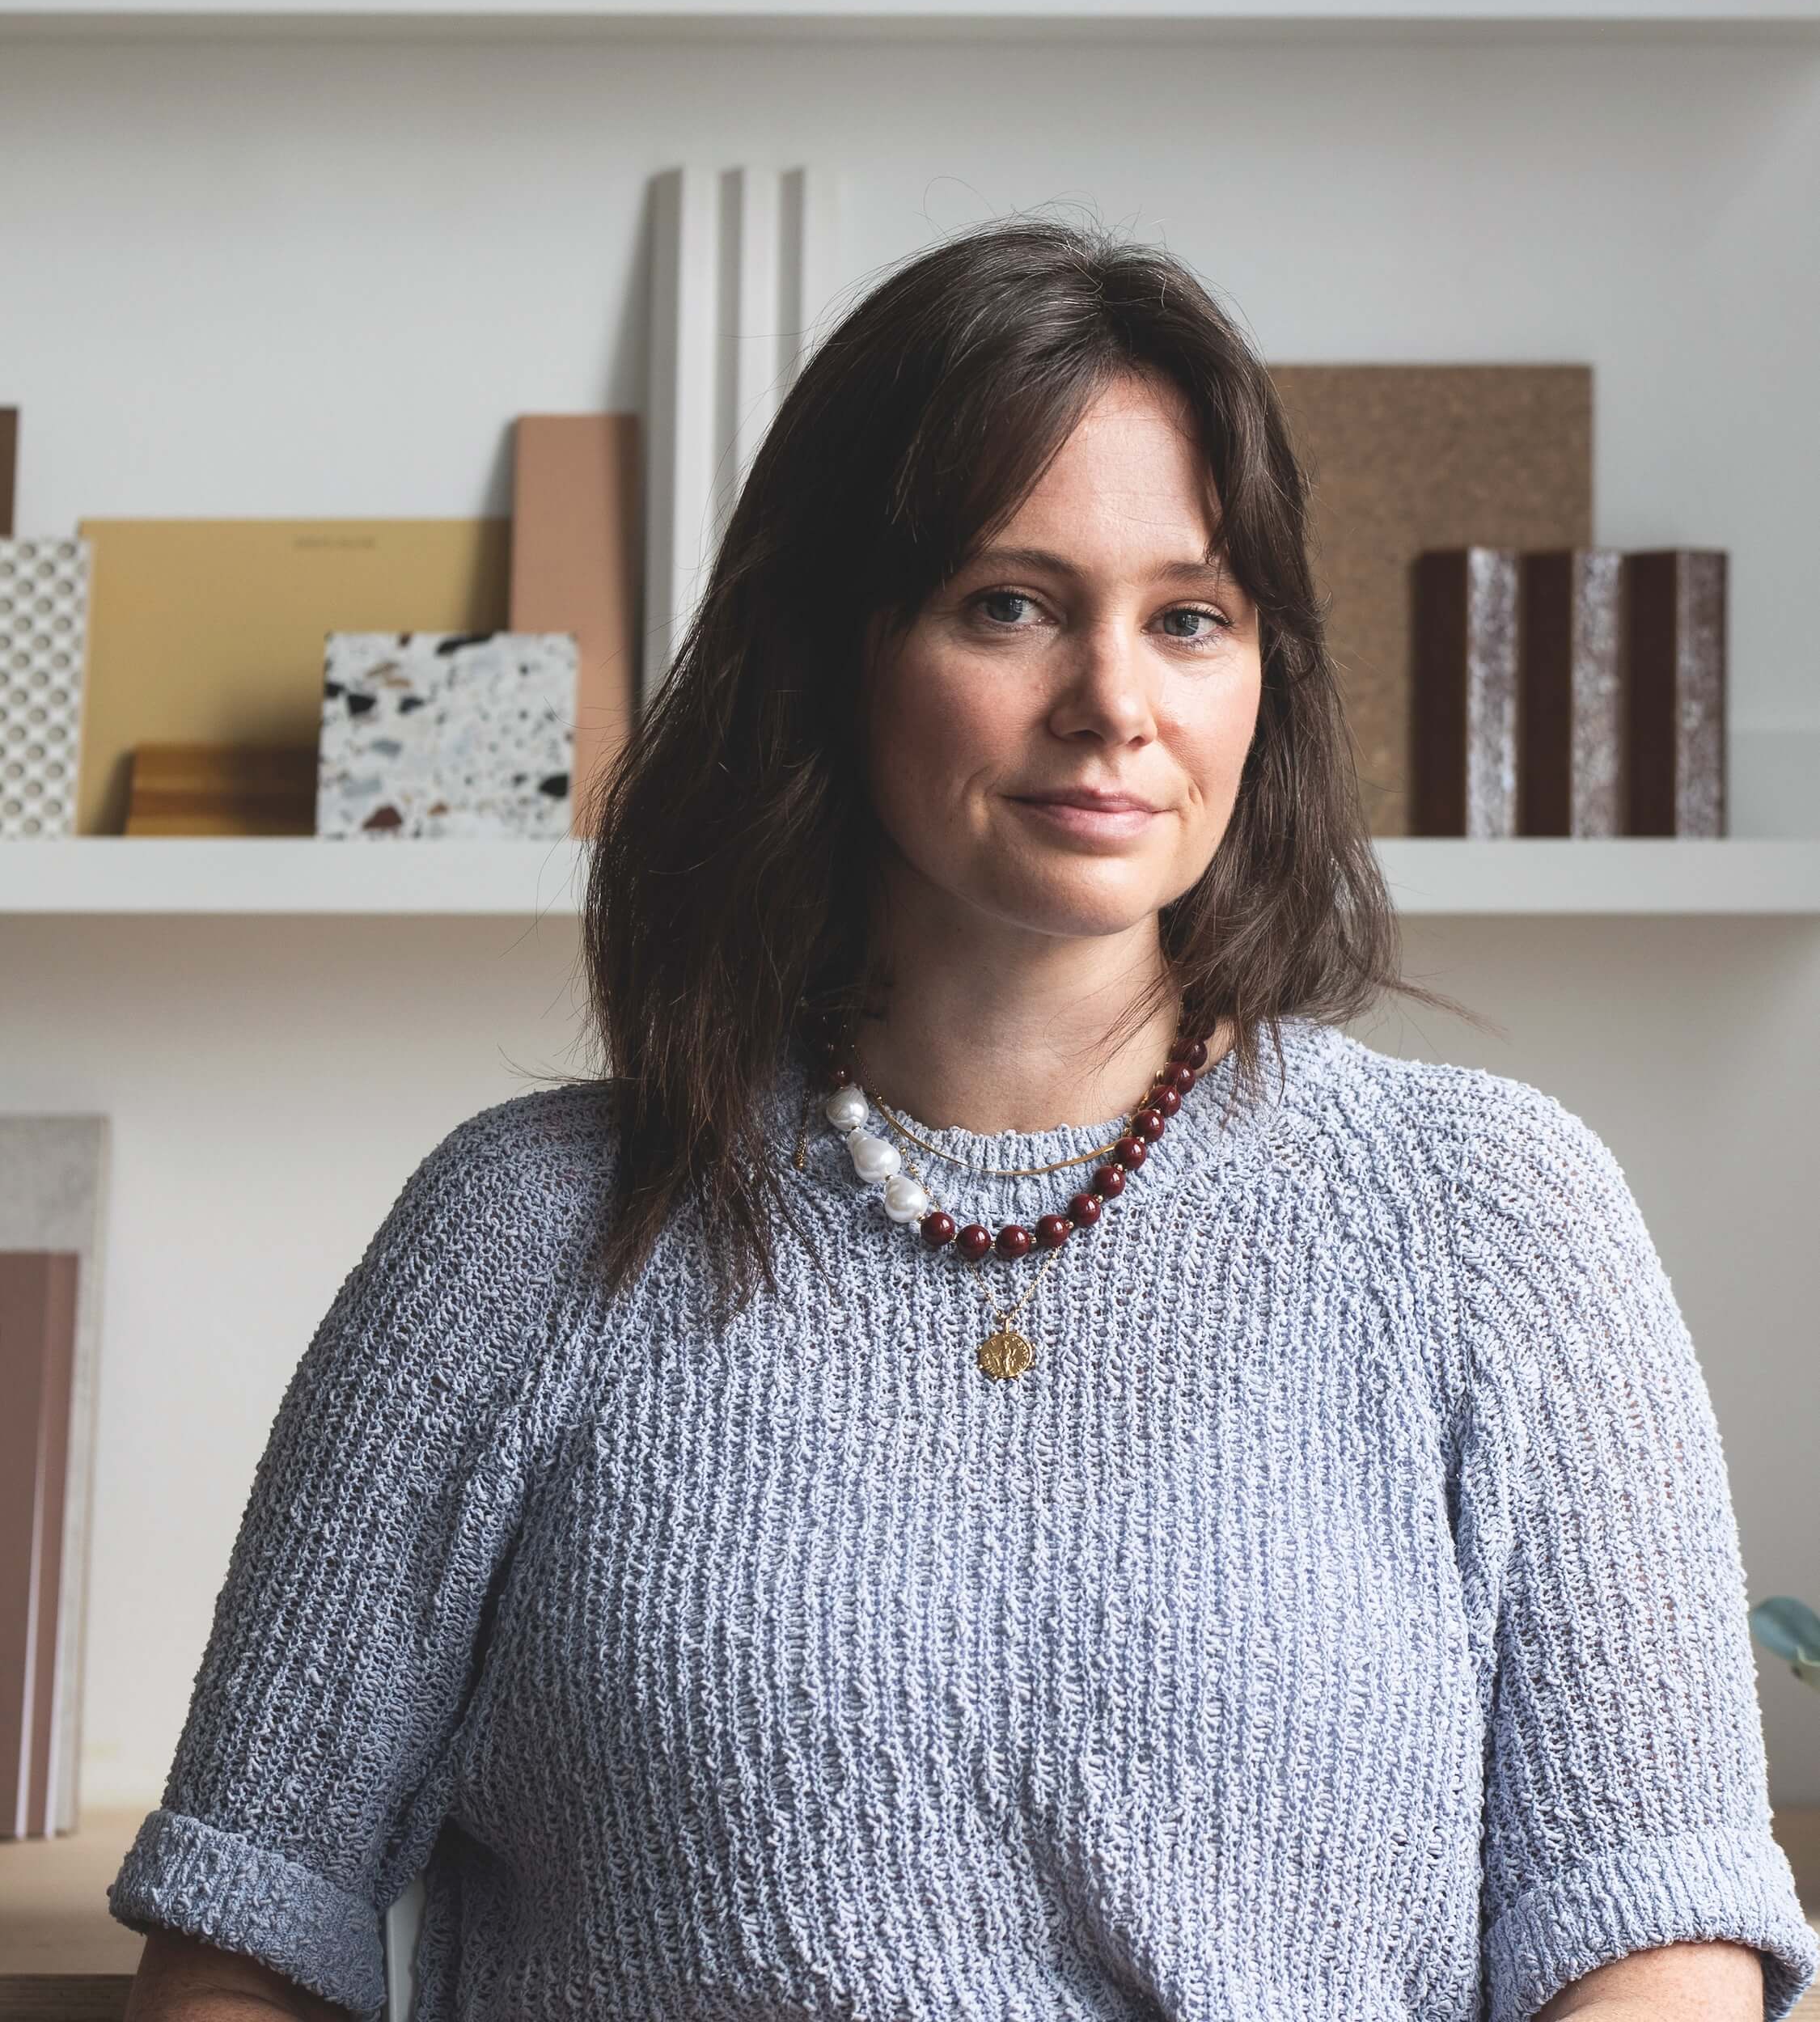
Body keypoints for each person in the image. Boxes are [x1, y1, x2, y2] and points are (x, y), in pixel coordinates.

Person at [111, 218, 1817, 2021]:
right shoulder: (523, 1234)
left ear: (1266, 672)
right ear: (835, 651)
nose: (1115, 704)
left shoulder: (1494, 1216)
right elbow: (244, 1929)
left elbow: (1659, 1936)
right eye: (1008, 603)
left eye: (1191, 617)